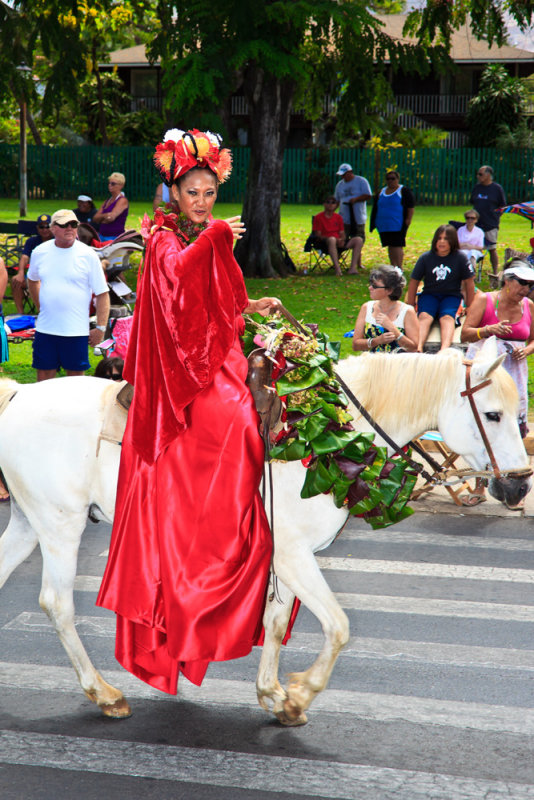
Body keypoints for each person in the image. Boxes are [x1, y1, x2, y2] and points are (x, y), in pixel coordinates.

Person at [96, 128, 284, 695]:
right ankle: (227, 537)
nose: (202, 202)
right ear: (174, 194)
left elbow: (221, 298)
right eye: (193, 193)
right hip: (187, 371)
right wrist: (218, 237)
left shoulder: (208, 233)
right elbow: (177, 283)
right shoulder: (162, 237)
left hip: (217, 351)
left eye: (209, 193)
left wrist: (252, 304)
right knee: (240, 422)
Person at [460, 260, 534, 507]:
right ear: (507, 281)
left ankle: (514, 489)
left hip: (514, 372)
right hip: (486, 368)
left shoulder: (529, 306)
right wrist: (488, 329)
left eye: (530, 285)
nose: (526, 289)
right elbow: (466, 333)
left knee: (513, 428)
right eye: (522, 283)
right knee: (483, 426)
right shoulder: (485, 300)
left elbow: (533, 339)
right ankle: (480, 486)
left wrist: (528, 350)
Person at [27, 209, 110, 382]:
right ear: (53, 228)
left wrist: (100, 328)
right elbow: (32, 280)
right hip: (46, 330)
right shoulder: (39, 252)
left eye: (74, 224)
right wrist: (41, 306)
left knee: (75, 384)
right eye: (64, 225)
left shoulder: (88, 255)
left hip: (76, 332)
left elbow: (102, 293)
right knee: (44, 381)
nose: (70, 228)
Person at [406, 224, 475, 352]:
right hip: (430, 294)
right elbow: (414, 281)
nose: (441, 242)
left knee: (447, 317)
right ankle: (418, 347)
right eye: (439, 238)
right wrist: (410, 303)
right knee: (424, 316)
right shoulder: (426, 258)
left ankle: (444, 349)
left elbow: (469, 282)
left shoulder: (461, 258)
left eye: (445, 239)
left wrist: (470, 305)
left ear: (452, 241)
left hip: (451, 296)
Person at [352, 265, 419, 353]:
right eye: (371, 284)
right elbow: (355, 345)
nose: (370, 288)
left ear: (389, 290)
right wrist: (376, 341)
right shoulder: (366, 308)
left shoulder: (407, 311)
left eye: (375, 286)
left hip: (397, 364)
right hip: (370, 364)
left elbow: (414, 348)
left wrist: (395, 331)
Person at [369, 171, 415, 269]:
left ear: (397, 179)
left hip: (397, 224)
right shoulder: (381, 192)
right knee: (390, 245)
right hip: (384, 225)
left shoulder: (403, 191)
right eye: (388, 178)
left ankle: (399, 267)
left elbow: (410, 207)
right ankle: (393, 266)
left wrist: (408, 220)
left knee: (397, 245)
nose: (390, 181)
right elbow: (376, 207)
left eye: (393, 178)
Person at [11, 214, 53, 314]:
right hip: (34, 276)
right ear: (37, 228)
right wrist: (20, 273)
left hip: (52, 276)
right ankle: (20, 314)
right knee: (15, 281)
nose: (44, 229)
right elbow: (25, 257)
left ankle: (43, 313)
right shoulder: (32, 241)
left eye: (47, 226)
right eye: (41, 227)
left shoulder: (57, 241)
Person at [334, 163, 372, 273]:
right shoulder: (340, 185)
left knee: (358, 238)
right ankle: (339, 261)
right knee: (343, 238)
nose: (343, 177)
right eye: (341, 175)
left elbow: (368, 195)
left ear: (350, 172)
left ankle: (357, 263)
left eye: (344, 174)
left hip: (358, 216)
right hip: (344, 217)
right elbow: (337, 200)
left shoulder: (361, 181)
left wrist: (356, 199)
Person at [470, 165, 506, 275]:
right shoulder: (477, 188)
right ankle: (473, 272)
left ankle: (495, 272)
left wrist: (495, 217)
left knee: (492, 248)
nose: (478, 176)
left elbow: (503, 207)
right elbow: (473, 203)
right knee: (476, 248)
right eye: (477, 174)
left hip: (491, 224)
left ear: (488, 175)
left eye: (480, 174)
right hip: (477, 224)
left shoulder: (497, 189)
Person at [311, 195, 347, 276]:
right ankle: (338, 269)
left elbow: (342, 232)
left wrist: (342, 240)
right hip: (324, 242)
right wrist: (334, 239)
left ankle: (353, 268)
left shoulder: (338, 217)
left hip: (339, 241)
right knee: (332, 240)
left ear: (336, 205)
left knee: (358, 240)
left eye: (333, 202)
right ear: (324, 204)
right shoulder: (318, 217)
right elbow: (318, 235)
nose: (330, 204)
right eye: (328, 202)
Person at [92, 172, 129, 241]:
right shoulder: (108, 200)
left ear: (121, 185)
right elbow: (94, 218)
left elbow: (111, 218)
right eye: (109, 183)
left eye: (113, 184)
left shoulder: (122, 200)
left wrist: (101, 218)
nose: (109, 185)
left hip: (114, 237)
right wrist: (105, 216)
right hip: (102, 236)